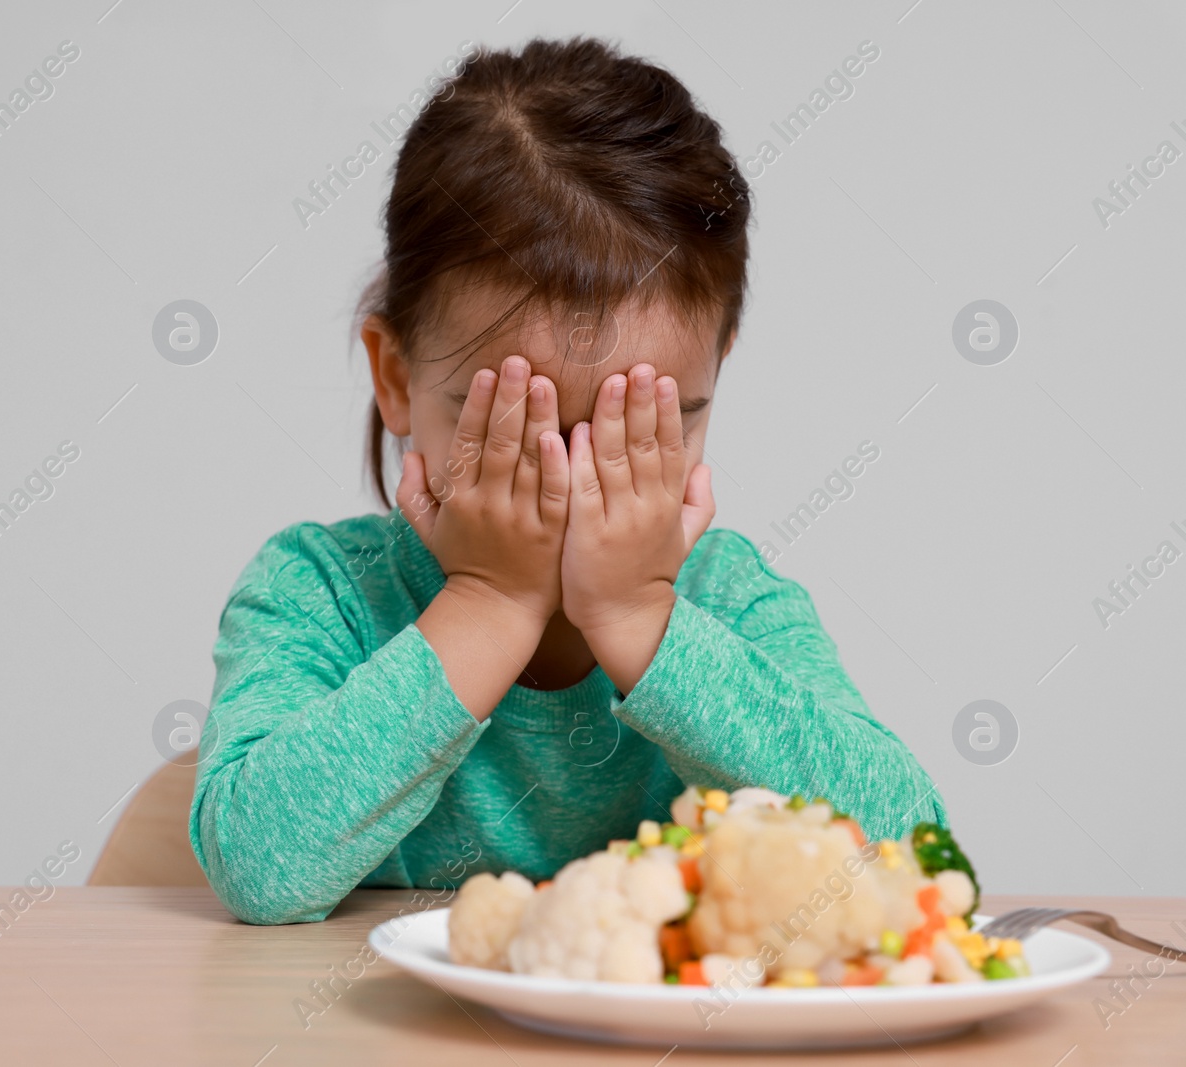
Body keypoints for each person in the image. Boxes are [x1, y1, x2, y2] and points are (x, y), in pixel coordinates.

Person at [189, 36, 944, 925]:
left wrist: (639, 620)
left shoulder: (727, 600)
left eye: (646, 430)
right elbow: (258, 865)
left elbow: (911, 847)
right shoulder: (319, 592)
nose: (575, 480)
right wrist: (487, 602)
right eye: (519, 426)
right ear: (395, 378)